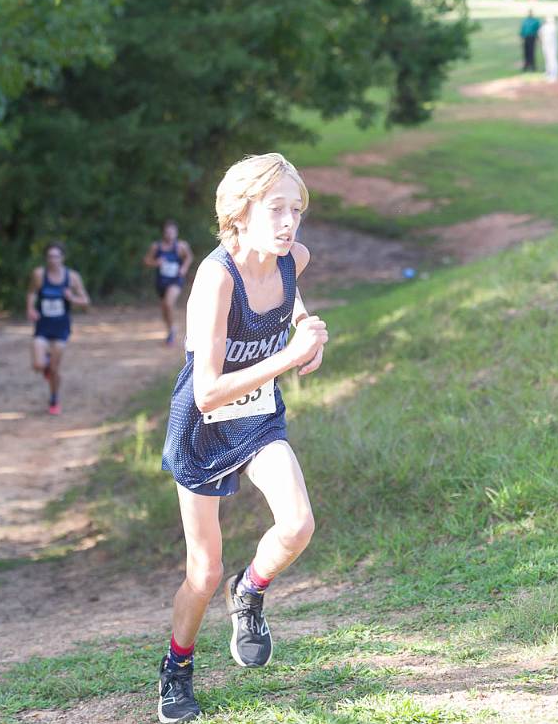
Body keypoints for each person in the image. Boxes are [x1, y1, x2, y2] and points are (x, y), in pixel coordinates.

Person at [155, 153, 328, 723]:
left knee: (298, 524)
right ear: (240, 211)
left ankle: (250, 590)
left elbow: (290, 297)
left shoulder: (291, 259)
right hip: (205, 428)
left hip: (258, 421)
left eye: (296, 210)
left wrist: (306, 328)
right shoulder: (215, 276)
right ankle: (177, 668)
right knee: (202, 573)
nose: (288, 224)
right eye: (276, 209)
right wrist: (286, 357)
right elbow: (206, 393)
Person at [27, 244, 90, 415]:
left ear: (62, 258)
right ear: (46, 258)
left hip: (61, 328)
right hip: (43, 325)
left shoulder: (72, 277)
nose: (53, 260)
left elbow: (85, 302)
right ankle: (46, 364)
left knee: (55, 369)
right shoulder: (39, 274)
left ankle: (54, 399)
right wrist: (31, 308)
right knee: (38, 364)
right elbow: (32, 293)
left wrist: (72, 298)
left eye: (56, 256)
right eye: (49, 256)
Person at [144, 220, 194, 345]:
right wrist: (156, 262)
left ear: (176, 233)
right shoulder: (157, 246)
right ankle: (170, 328)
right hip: (161, 281)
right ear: (163, 233)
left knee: (168, 303)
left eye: (172, 232)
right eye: (167, 232)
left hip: (175, 279)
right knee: (164, 308)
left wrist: (184, 268)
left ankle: (171, 331)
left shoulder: (181, 246)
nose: (170, 235)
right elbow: (146, 260)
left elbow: (189, 257)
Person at [541, 14, 558, 81]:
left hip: (552, 45)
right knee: (547, 59)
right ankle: (548, 72)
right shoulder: (544, 26)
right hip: (545, 45)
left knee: (552, 59)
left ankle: (554, 74)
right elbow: (541, 34)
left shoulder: (553, 26)